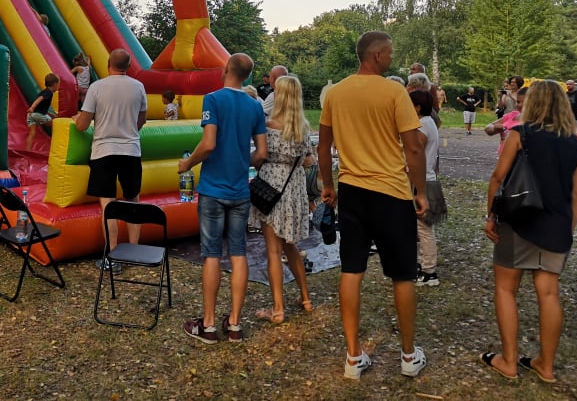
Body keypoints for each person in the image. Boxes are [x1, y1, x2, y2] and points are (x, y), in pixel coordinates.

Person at [318, 31, 429, 380]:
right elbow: (413, 147)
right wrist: (421, 191)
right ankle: (408, 356)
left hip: (352, 191)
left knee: (351, 270)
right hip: (392, 193)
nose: (392, 58)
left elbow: (323, 147)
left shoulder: (335, 93)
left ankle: (353, 357)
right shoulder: (394, 92)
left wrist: (327, 185)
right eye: (390, 53)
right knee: (403, 274)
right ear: (377, 55)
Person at [481, 80, 577, 383]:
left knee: (505, 289)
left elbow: (498, 178)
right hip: (557, 226)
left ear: (533, 103)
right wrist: (569, 228)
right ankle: (546, 366)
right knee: (549, 293)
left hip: (519, 221)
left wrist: (490, 216)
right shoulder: (575, 143)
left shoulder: (520, 134)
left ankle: (509, 361)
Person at [179, 53, 267, 344]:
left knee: (212, 254)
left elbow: (208, 144)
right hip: (240, 190)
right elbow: (262, 153)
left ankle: (207, 325)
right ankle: (235, 325)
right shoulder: (255, 106)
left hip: (213, 191)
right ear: (247, 76)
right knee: (239, 253)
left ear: (226, 69)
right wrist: (242, 162)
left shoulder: (213, 99)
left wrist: (187, 164)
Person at [72, 49, 147, 270]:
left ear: (108, 64)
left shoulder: (97, 87)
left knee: (108, 205)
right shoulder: (138, 87)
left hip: (104, 151)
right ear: (129, 66)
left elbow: (82, 125)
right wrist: (128, 131)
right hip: (131, 150)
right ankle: (134, 252)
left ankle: (113, 255)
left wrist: (77, 119)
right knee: (133, 201)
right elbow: (141, 119)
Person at [250, 75, 316, 324]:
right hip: (294, 190)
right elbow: (308, 159)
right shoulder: (303, 128)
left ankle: (277, 309)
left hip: (271, 190)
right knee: (291, 246)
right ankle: (305, 298)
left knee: (273, 251)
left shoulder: (267, 126)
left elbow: (259, 156)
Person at [409, 89, 445, 287]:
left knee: (423, 228)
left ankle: (429, 271)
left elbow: (415, 153)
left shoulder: (423, 125)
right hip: (426, 178)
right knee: (420, 228)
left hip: (422, 181)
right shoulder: (429, 122)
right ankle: (423, 265)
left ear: (417, 107)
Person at [485, 87, 527, 157]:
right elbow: (488, 127)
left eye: (525, 103)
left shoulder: (535, 120)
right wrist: (494, 128)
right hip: (503, 156)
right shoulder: (511, 115)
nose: (519, 105)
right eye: (518, 102)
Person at [25, 73, 59, 148]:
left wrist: (51, 114)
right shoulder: (49, 92)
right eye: (58, 85)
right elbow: (39, 99)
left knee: (32, 133)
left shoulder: (44, 91)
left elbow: (42, 106)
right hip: (37, 114)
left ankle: (27, 150)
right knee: (56, 123)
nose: (58, 87)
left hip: (31, 115)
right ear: (54, 84)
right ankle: (56, 145)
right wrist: (32, 107)